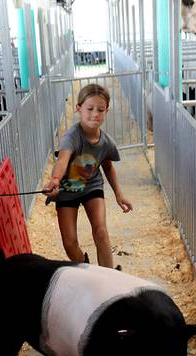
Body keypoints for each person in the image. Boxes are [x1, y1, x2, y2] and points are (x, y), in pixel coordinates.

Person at [43, 84, 133, 268]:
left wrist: (119, 194)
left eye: (100, 110)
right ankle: (85, 266)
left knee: (101, 232)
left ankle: (109, 277)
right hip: (66, 190)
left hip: (92, 186)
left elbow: (107, 167)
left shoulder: (106, 142)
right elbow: (62, 161)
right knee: (69, 243)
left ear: (107, 111)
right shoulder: (72, 137)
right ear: (78, 108)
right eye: (89, 109)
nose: (95, 114)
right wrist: (54, 180)